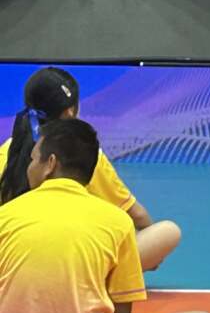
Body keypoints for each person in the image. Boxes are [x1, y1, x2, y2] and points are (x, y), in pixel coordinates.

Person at [0, 117, 210, 313]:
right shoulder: (118, 222)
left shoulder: (4, 216)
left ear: (50, 164)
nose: (29, 166)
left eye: (33, 159)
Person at [0, 66, 181, 271]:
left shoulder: (6, 151)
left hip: (12, 267)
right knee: (167, 232)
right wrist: (149, 254)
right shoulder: (85, 156)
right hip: (74, 269)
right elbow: (137, 215)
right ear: (70, 112)